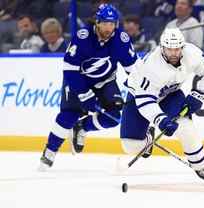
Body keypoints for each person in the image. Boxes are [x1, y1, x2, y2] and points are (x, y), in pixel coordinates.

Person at [39, 4, 138, 170]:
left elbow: (134, 70)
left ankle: (82, 127)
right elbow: (70, 69)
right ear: (97, 22)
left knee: (113, 116)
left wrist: (142, 91)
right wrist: (84, 94)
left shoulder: (121, 40)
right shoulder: (83, 37)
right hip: (79, 80)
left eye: (112, 23)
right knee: (68, 116)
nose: (109, 27)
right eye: (105, 23)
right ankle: (49, 151)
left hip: (105, 82)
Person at [120, 28, 204, 183]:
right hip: (138, 97)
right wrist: (160, 120)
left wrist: (198, 95)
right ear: (162, 48)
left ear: (183, 46)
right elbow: (145, 99)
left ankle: (202, 166)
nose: (174, 53)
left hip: (170, 95)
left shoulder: (192, 53)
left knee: (185, 126)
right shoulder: (150, 66)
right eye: (169, 49)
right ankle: (148, 139)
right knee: (130, 146)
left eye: (177, 49)